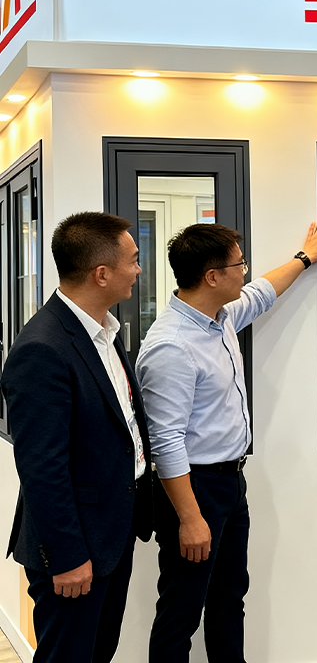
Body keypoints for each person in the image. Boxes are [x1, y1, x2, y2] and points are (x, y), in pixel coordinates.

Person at [136, 219, 317, 663]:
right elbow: (166, 443)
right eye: (239, 264)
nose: (245, 272)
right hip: (194, 489)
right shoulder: (172, 346)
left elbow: (264, 291)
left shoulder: (220, 317)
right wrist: (190, 518)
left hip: (229, 484)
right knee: (181, 611)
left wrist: (305, 258)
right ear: (212, 276)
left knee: (229, 600)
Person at [2, 211, 152, 663]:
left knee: (99, 652)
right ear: (101, 274)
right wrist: (66, 557)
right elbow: (42, 468)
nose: (139, 270)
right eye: (133, 260)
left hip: (111, 533)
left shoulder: (104, 332)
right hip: (74, 547)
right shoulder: (42, 348)